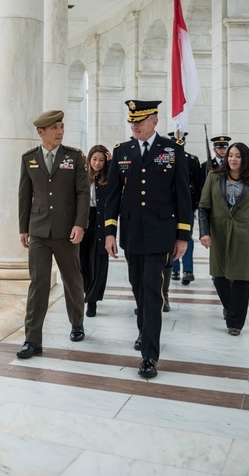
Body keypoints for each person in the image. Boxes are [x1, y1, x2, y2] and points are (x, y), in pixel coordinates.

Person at [104, 100, 191, 379]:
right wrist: (109, 231)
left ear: (154, 121)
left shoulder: (172, 150)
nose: (135, 125)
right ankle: (144, 329)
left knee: (153, 292)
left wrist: (182, 236)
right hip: (132, 232)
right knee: (138, 288)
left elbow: (183, 196)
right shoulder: (122, 151)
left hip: (161, 234)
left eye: (140, 121)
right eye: (132, 121)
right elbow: (113, 194)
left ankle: (150, 355)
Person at [17, 109, 89, 359]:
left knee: (72, 279)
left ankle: (77, 323)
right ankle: (32, 340)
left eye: (61, 127)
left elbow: (83, 193)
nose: (60, 131)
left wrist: (80, 224)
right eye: (55, 128)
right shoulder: (29, 158)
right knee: (38, 284)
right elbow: (25, 195)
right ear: (41, 132)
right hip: (38, 231)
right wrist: (23, 228)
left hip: (67, 231)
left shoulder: (75, 157)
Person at [197, 141, 249, 336]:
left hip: (243, 233)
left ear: (245, 159)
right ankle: (232, 307)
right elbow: (204, 207)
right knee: (219, 275)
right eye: (230, 155)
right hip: (218, 231)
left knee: (241, 277)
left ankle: (235, 322)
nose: (233, 159)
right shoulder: (214, 178)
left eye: (237, 156)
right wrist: (204, 232)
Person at [80, 145, 112, 317]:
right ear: (89, 160)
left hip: (102, 222)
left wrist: (112, 163)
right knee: (82, 260)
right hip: (84, 221)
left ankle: (92, 300)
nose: (97, 163)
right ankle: (86, 292)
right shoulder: (83, 177)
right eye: (94, 159)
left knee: (98, 261)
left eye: (101, 160)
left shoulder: (108, 178)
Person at [169, 132, 203, 286]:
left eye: (181, 141)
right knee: (170, 237)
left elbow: (196, 185)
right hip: (169, 205)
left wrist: (196, 206)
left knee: (186, 237)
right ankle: (174, 268)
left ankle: (187, 270)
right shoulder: (165, 158)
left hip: (186, 205)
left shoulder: (192, 160)